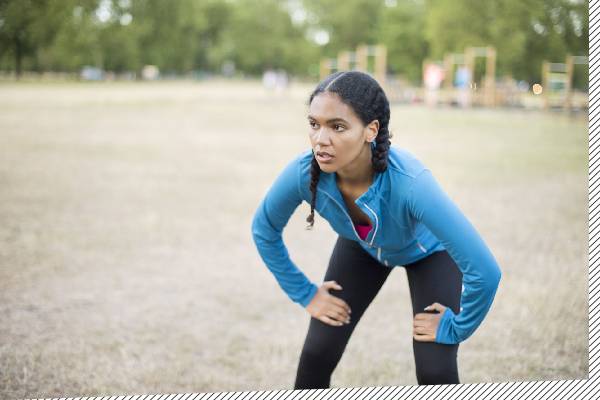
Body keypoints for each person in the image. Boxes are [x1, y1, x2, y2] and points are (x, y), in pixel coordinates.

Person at [251, 71, 502, 388]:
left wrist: (458, 327)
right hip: (362, 247)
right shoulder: (305, 172)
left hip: (429, 255)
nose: (320, 139)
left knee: (434, 371)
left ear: (371, 130)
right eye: (314, 124)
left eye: (337, 127)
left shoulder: (410, 183)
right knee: (316, 354)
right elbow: (264, 229)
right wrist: (306, 294)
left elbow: (486, 271)